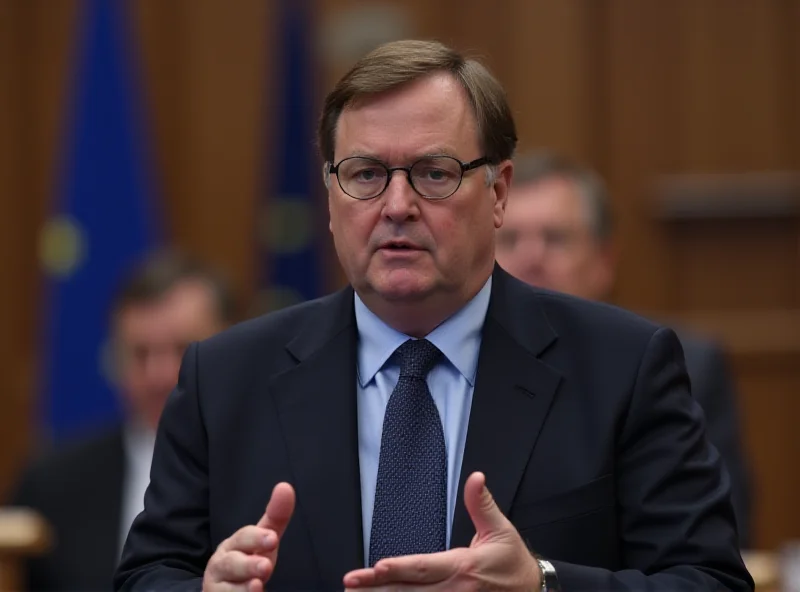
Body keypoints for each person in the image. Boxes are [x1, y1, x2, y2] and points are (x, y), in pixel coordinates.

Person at [115, 40, 753, 592]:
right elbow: (146, 574)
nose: (396, 205)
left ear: (498, 192)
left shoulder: (622, 368)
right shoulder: (225, 378)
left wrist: (542, 583)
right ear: (331, 197)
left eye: (433, 173)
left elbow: (709, 579)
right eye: (365, 174)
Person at [495, 151, 753, 546]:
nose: (531, 258)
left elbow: (715, 545)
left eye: (555, 238)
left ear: (604, 260)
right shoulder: (463, 360)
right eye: (511, 239)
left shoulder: (680, 365)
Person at [11, 250, 234, 592]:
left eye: (183, 350)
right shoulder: (52, 483)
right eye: (139, 353)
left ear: (233, 346)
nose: (158, 375)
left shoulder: (274, 464)